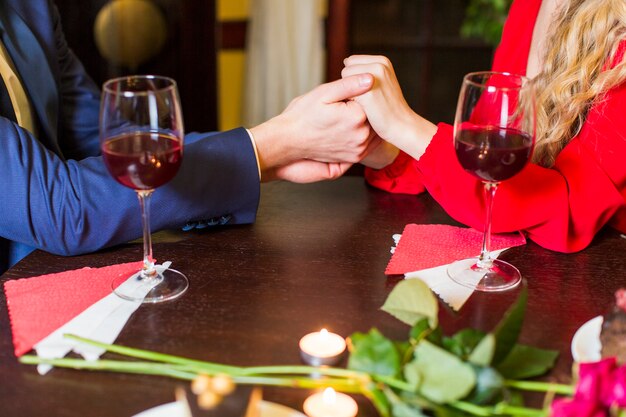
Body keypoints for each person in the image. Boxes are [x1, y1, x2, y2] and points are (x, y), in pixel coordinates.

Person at [0, 0, 376, 273]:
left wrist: (271, 154)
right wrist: (271, 145)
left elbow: (113, 140)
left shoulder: (30, 7)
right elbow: (59, 210)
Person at [342, 0, 626, 253]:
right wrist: (388, 150)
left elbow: (573, 213)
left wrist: (405, 127)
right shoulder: (531, 5)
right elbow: (485, 164)